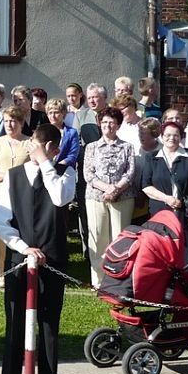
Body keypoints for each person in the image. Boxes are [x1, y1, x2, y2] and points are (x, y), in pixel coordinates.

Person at [0, 124, 76, 374]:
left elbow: (60, 198)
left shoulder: (66, 173)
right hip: (20, 260)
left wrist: (46, 165)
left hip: (53, 259)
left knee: (49, 324)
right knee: (15, 324)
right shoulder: (13, 178)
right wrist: (23, 247)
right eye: (52, 148)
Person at [83, 107, 136, 288]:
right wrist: (107, 188)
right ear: (100, 124)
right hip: (96, 197)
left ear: (118, 125)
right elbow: (88, 174)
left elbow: (130, 174)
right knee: (98, 237)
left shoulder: (127, 147)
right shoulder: (92, 147)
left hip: (123, 198)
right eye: (104, 122)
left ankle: (117, 279)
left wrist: (116, 189)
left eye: (112, 122)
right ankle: (98, 280)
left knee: (119, 239)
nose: (108, 126)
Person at [0, 106, 30, 287]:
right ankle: (2, 274)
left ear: (21, 122)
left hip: (23, 195)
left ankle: (24, 269)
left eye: (13, 121)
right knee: (1, 235)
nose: (9, 125)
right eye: (5, 121)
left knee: (23, 232)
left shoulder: (29, 142)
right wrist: (11, 177)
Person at [142, 121, 188, 264]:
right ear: (161, 136)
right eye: (168, 135)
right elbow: (146, 186)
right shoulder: (151, 158)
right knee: (162, 253)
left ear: (181, 137)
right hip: (161, 212)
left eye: (176, 135)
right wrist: (166, 198)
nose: (171, 138)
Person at [74, 83, 108, 261]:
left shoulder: (112, 114)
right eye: (90, 97)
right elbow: (76, 142)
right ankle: (89, 253)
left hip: (109, 174)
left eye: (96, 97)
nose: (92, 100)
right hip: (86, 173)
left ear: (104, 97)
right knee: (86, 213)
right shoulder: (81, 115)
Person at [45, 99, 79, 168]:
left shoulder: (72, 133)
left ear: (63, 113)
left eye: (56, 112)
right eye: (50, 113)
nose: (53, 116)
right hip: (45, 169)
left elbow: (72, 155)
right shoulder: (42, 131)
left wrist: (57, 166)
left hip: (65, 171)